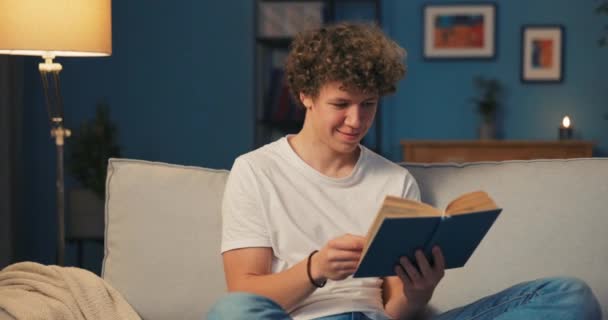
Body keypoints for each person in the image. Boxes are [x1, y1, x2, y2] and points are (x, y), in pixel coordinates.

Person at [208, 22, 601, 320]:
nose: (356, 120)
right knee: (232, 312)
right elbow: (244, 292)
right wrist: (315, 269)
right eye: (341, 103)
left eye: (369, 104)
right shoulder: (256, 171)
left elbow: (394, 310)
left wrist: (418, 292)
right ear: (305, 95)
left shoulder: (396, 181)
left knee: (570, 296)